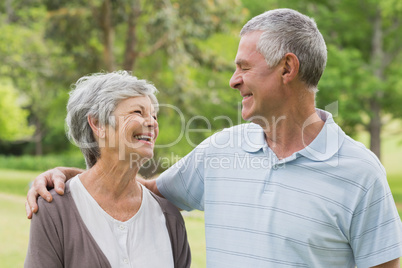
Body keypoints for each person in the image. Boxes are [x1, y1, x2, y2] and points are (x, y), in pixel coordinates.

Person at [26, 9, 402, 267]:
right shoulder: (222, 150)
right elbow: (141, 188)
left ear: (287, 68)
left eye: (244, 67)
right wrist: (68, 175)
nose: (233, 80)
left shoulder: (360, 173)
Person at [24, 71, 191, 268]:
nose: (153, 123)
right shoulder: (53, 210)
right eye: (138, 112)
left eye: (154, 116)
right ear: (97, 123)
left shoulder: (169, 217)